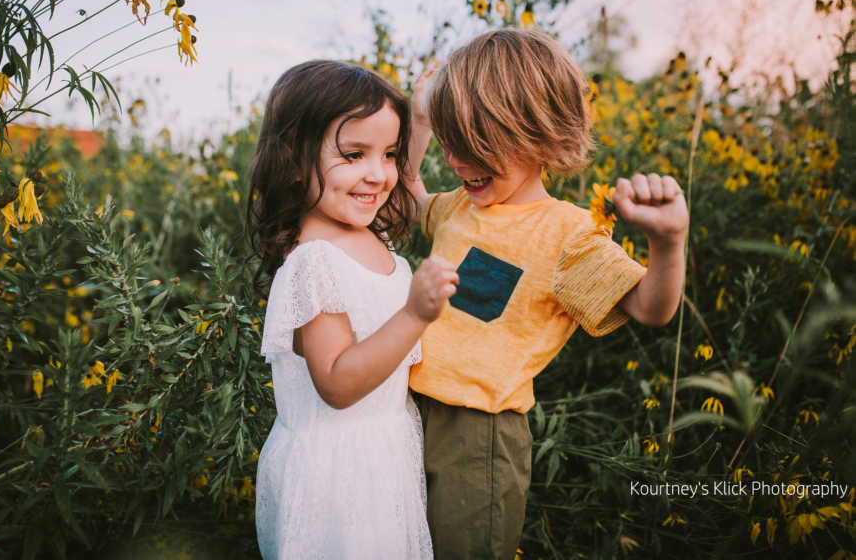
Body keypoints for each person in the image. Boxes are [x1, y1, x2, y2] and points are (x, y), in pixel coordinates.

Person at [403, 29, 689, 559]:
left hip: (479, 439)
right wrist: (418, 122)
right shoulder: (458, 208)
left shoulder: (566, 234)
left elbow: (652, 307)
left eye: (472, 144)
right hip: (408, 411)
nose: (456, 161)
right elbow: (405, 189)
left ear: (536, 132)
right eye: (448, 141)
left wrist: (668, 241)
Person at [246, 60, 458, 560]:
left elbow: (393, 184)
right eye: (354, 154)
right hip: (338, 478)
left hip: (383, 455)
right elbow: (338, 383)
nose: (378, 175)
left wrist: (421, 124)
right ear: (295, 160)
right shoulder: (314, 262)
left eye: (389, 154)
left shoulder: (364, 229)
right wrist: (415, 315)